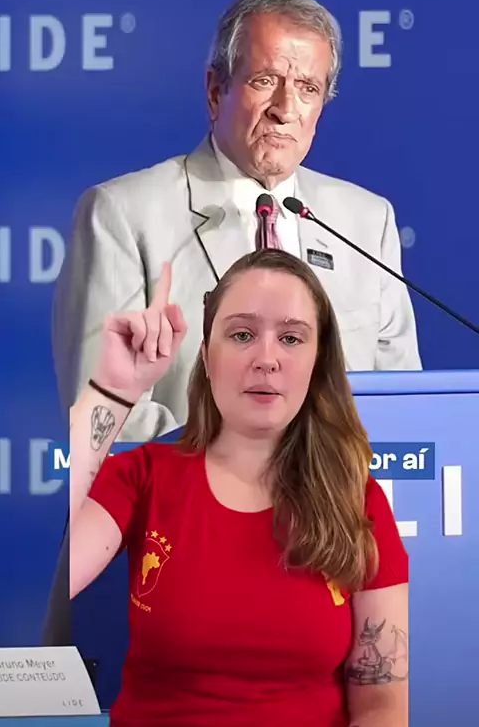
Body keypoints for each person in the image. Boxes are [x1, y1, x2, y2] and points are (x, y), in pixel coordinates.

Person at [54, 0, 421, 445]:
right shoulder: (124, 216)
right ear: (215, 91)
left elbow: (404, 411)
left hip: (337, 491)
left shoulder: (367, 222)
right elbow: (103, 412)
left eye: (308, 88)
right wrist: (242, 467)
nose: (285, 110)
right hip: (188, 489)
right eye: (265, 81)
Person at [70, 249, 409, 727]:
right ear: (207, 357)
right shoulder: (144, 476)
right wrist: (113, 389)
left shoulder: (357, 500)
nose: (266, 359)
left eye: (291, 338)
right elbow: (51, 574)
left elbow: (382, 704)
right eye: (242, 335)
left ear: (317, 363)